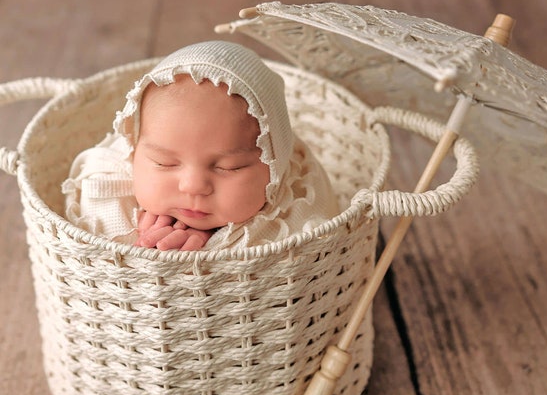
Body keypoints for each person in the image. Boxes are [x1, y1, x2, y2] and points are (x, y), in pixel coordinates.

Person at [62, 41, 339, 251]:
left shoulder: (296, 206)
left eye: (229, 167)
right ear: (134, 150)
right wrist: (137, 236)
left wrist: (215, 243)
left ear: (275, 165)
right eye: (164, 163)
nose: (193, 186)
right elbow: (93, 228)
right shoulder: (111, 172)